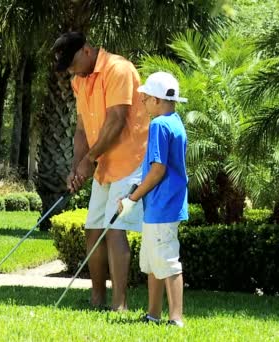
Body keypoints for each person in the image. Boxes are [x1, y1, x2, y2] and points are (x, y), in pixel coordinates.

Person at [52, 32, 149, 311]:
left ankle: (120, 304)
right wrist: (76, 167)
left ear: (85, 50)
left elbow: (117, 120)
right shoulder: (79, 81)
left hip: (129, 161)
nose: (70, 71)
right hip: (102, 165)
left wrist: (89, 161)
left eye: (71, 64)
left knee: (115, 230)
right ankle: (97, 300)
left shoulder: (118, 69)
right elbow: (82, 129)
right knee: (93, 229)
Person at [117, 71, 189, 327]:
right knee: (152, 263)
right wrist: (138, 187)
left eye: (146, 98)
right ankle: (153, 315)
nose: (144, 101)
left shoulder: (159, 124)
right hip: (162, 206)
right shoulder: (176, 122)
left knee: (167, 262)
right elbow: (159, 167)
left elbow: (158, 169)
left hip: (162, 207)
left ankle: (175, 319)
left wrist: (132, 198)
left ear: (158, 100)